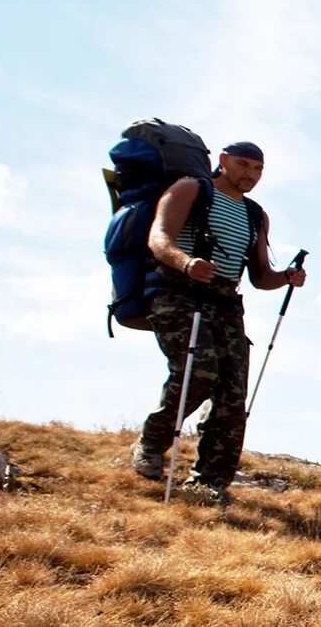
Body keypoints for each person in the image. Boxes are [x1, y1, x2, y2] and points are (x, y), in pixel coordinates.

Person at [129, 141, 306, 503]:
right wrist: (186, 262)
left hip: (226, 301)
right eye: (243, 165)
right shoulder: (191, 189)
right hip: (178, 291)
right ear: (222, 161)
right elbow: (158, 238)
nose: (250, 174)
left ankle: (211, 481)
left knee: (232, 392)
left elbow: (259, 277)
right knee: (199, 370)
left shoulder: (255, 214)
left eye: (257, 169)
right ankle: (151, 444)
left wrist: (286, 277)